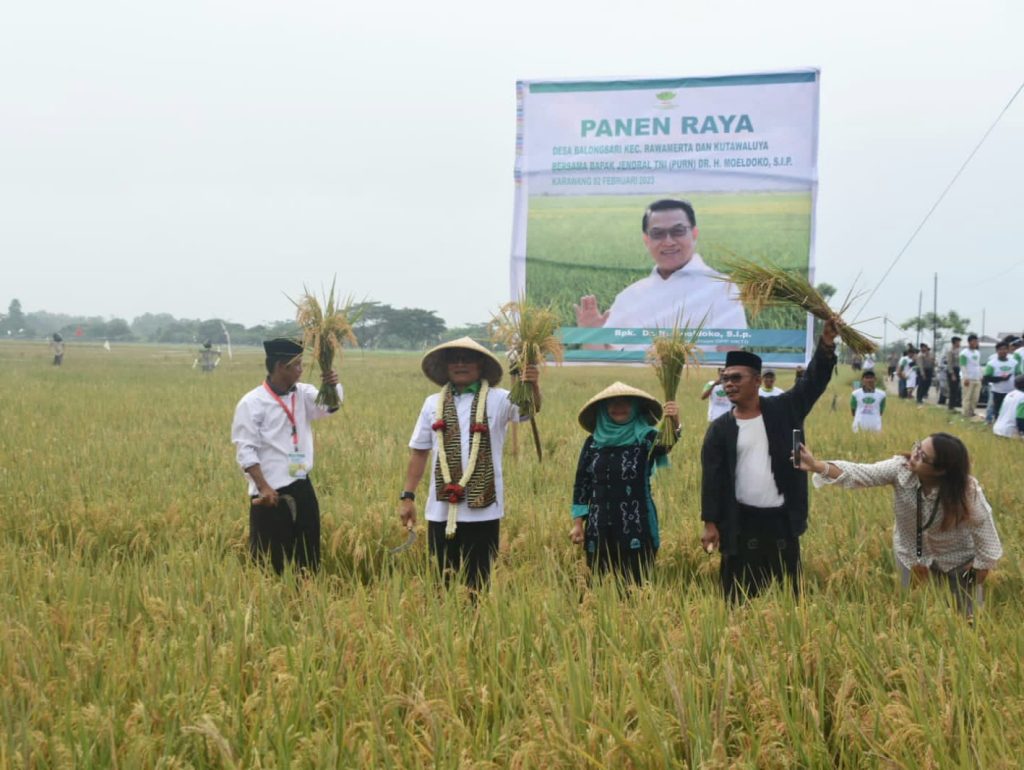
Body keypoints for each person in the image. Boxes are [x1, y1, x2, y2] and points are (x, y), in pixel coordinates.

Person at [700, 319, 839, 601]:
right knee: (736, 599)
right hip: (740, 522)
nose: (729, 384)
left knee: (787, 598)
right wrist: (710, 523)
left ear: (756, 379)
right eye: (725, 378)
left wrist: (825, 345)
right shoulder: (719, 429)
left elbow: (812, 383)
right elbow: (712, 479)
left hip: (781, 522)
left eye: (736, 378)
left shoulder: (784, 410)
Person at [798, 433, 1003, 617]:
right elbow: (861, 473)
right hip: (910, 556)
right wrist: (817, 465)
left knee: (969, 617)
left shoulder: (967, 492)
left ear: (941, 470)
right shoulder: (900, 469)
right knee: (912, 611)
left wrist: (974, 573)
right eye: (917, 447)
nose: (914, 455)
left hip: (957, 559)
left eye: (923, 457)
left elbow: (988, 542)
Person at [399, 337, 541, 591]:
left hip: (483, 511)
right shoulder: (433, 403)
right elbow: (419, 452)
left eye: (468, 359)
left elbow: (528, 410)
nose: (461, 364)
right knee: (442, 582)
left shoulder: (499, 399)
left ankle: (476, 628)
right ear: (445, 366)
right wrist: (407, 496)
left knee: (479, 583)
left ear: (481, 365)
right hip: (440, 510)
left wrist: (532, 383)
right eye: (454, 359)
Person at [231, 338, 343, 575]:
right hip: (271, 494)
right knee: (271, 563)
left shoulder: (303, 394)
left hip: (301, 484)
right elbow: (246, 451)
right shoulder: (252, 403)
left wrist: (331, 385)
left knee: (308, 555)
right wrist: (263, 487)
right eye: (297, 365)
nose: (302, 370)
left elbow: (328, 408)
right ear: (281, 366)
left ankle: (306, 601)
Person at [573, 199, 748, 337]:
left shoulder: (721, 287)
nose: (669, 241)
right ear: (646, 240)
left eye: (678, 231)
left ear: (694, 234)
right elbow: (606, 360)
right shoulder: (630, 296)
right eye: (658, 234)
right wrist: (591, 334)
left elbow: (730, 357)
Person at [569, 383, 679, 585]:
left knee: (637, 585)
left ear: (636, 406)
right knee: (600, 585)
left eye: (626, 402)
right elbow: (582, 483)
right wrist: (578, 524)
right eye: (612, 402)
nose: (618, 406)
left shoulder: (645, 438)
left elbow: (665, 445)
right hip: (598, 527)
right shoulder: (592, 442)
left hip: (636, 525)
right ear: (602, 408)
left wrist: (673, 420)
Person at [982, 338, 1019, 424]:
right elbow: (987, 378)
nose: (1003, 351)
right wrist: (1001, 378)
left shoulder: (1014, 362)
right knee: (998, 411)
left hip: (1011, 392)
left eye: (1005, 349)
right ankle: (997, 428)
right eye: (1000, 349)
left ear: (1008, 350)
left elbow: (1018, 375)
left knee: (1010, 412)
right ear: (997, 351)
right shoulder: (992, 363)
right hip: (998, 391)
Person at [992, 374, 1024, 439]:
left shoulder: (1010, 394)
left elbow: (1000, 412)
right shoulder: (1022, 398)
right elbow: (1020, 418)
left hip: (998, 429)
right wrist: (1022, 433)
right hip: (1010, 433)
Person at [960, 334, 984, 418]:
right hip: (968, 379)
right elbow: (963, 366)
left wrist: (981, 375)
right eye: (974, 341)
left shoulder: (977, 352)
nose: (975, 343)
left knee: (975, 398)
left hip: (977, 378)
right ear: (969, 342)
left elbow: (978, 365)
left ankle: (971, 412)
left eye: (976, 341)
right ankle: (965, 414)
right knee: (967, 397)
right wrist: (966, 377)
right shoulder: (964, 353)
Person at [944, 336, 962, 411]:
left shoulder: (959, 351)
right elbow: (949, 363)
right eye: (958, 342)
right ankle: (951, 406)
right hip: (952, 371)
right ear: (954, 342)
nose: (959, 343)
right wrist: (952, 374)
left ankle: (954, 405)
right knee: (952, 389)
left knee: (956, 389)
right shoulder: (950, 351)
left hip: (958, 370)